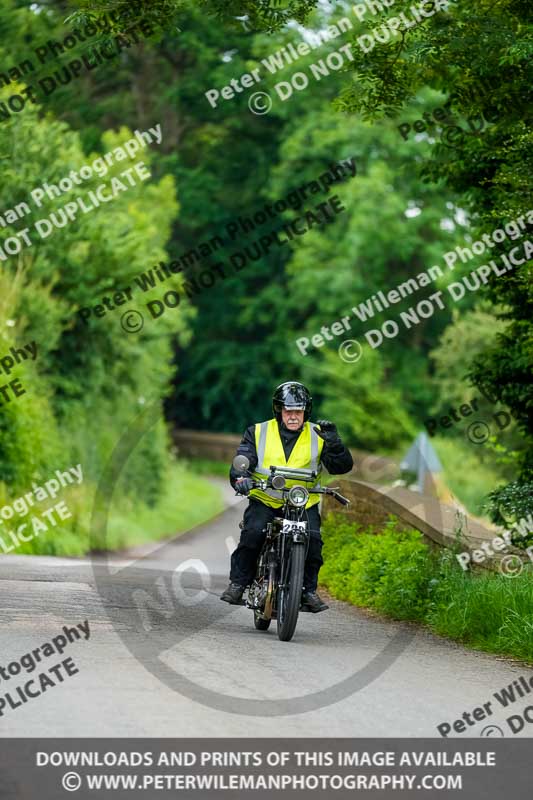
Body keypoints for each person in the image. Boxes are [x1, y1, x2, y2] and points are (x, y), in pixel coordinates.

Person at [220, 381, 353, 613]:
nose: (293, 416)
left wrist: (335, 444)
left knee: (313, 541)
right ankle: (238, 583)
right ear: (279, 411)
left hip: (303, 502)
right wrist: (241, 478)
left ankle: (307, 591)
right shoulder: (259, 431)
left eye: (298, 411)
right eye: (288, 411)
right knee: (254, 532)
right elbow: (244, 458)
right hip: (266, 498)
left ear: (306, 412)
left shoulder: (318, 435)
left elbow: (341, 467)